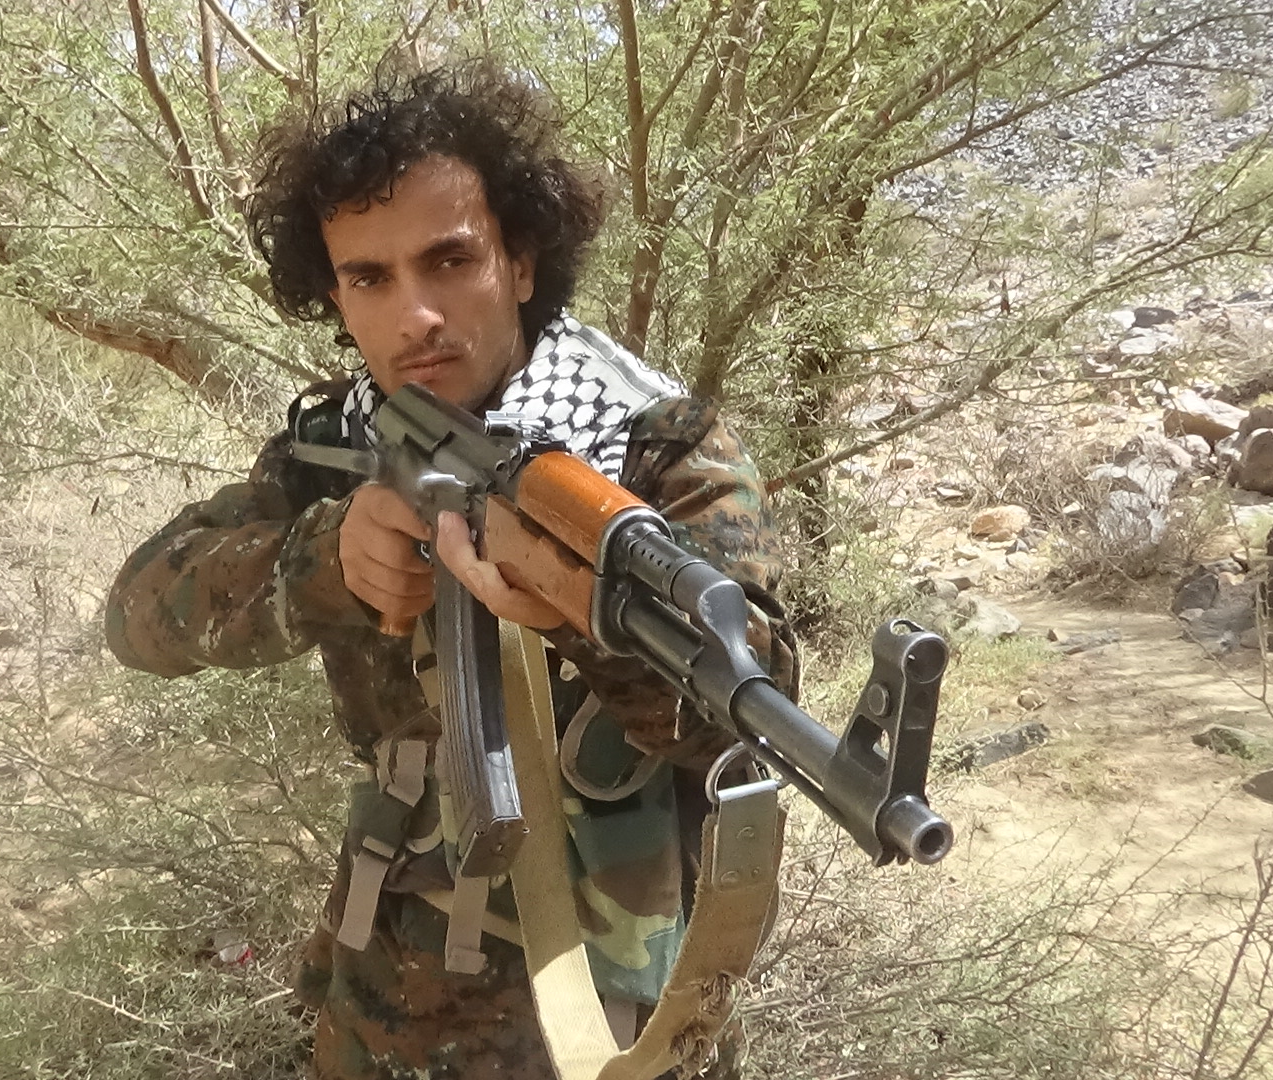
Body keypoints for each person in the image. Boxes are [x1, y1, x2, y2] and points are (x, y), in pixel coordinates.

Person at [106, 65, 797, 1080]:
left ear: (520, 261)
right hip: (389, 991)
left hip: (616, 1013)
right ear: (334, 295)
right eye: (369, 279)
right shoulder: (341, 442)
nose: (415, 317)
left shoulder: (652, 444)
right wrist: (324, 561)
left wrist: (582, 613)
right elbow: (138, 615)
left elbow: (751, 707)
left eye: (450, 260)